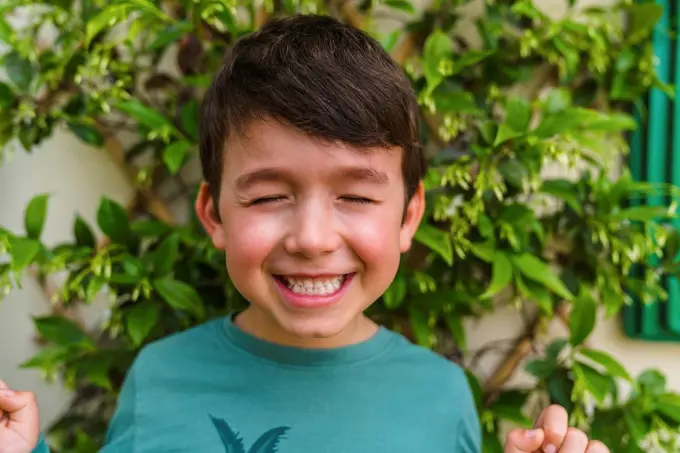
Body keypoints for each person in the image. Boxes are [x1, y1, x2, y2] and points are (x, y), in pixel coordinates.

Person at [0, 14, 609, 453]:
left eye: (356, 196)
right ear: (214, 215)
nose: (312, 238)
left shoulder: (442, 395)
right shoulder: (159, 375)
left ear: (408, 216)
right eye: (268, 197)